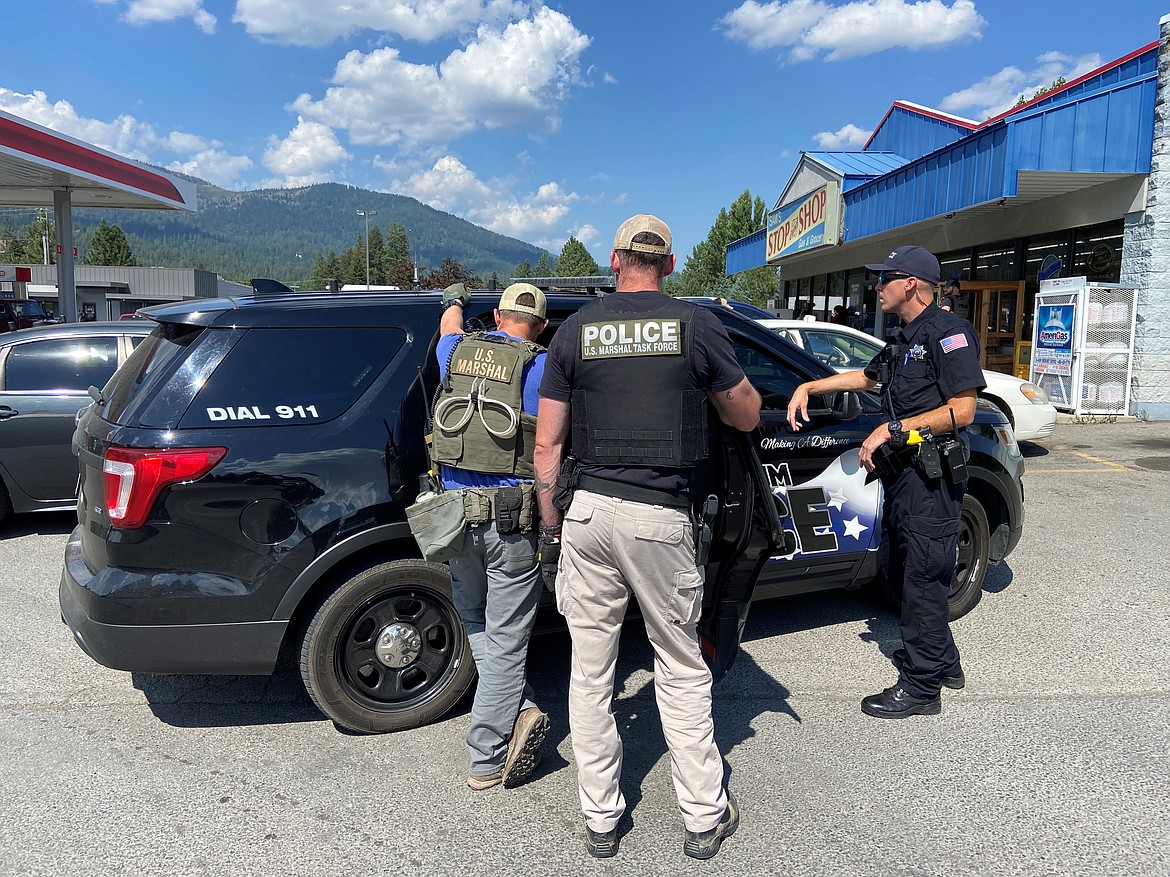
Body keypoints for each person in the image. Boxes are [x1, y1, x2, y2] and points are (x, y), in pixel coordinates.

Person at [533, 214, 761, 859]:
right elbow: (744, 412)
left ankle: (602, 819)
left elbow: (548, 443)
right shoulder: (696, 325)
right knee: (681, 665)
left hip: (587, 515)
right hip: (659, 516)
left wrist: (553, 527)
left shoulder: (575, 331)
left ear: (614, 259)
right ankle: (701, 815)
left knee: (590, 672)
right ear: (669, 263)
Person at [786, 245, 984, 719]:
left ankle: (921, 688)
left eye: (884, 279)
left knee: (921, 578)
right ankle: (943, 661)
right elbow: (869, 377)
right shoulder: (903, 337)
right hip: (903, 478)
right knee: (905, 571)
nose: (876, 287)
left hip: (930, 479)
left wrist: (895, 429)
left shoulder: (949, 333)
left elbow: (963, 409)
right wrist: (811, 385)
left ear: (911, 283)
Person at [430, 281, 551, 789]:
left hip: (453, 518)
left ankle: (514, 704)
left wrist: (456, 298)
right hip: (511, 522)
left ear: (498, 317)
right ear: (541, 326)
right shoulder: (542, 365)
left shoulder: (455, 350)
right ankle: (487, 754)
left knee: (474, 616)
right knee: (506, 637)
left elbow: (449, 325)